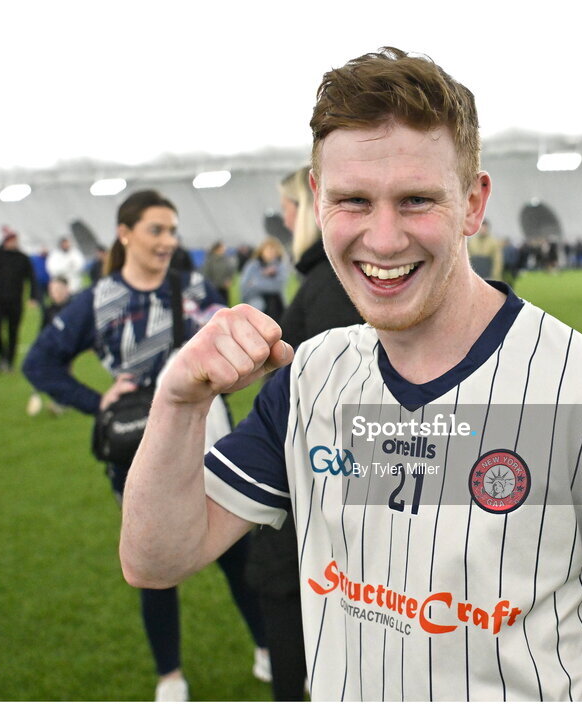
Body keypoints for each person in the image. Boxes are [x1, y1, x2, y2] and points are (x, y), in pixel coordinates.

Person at [119, 47, 582, 701]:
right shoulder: (306, 378)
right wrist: (178, 401)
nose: (383, 239)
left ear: (472, 204)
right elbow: (155, 558)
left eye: (416, 200)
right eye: (352, 201)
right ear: (316, 199)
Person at [22, 190, 267, 701]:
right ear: (125, 233)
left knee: (236, 554)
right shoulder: (99, 298)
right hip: (136, 448)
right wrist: (99, 401)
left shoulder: (193, 285)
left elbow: (233, 341)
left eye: (173, 230)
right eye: (156, 229)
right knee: (155, 566)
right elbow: (39, 363)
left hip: (211, 438)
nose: (167, 240)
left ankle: (267, 648)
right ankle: (169, 675)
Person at [245, 166, 365, 701]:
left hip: (314, 519)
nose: (285, 217)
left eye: (290, 206)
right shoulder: (324, 280)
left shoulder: (331, 286)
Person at [0, 227, 38, 372]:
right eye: (11, 240)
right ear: (5, 241)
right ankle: (2, 354)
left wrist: (32, 297)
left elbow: (31, 278)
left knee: (13, 332)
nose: (14, 243)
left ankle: (10, 362)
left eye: (15, 240)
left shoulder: (23, 258)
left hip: (15, 301)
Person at [26, 276, 70, 417]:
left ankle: (60, 402)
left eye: (58, 290)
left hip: (67, 348)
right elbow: (43, 330)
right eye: (52, 290)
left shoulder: (72, 309)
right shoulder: (49, 309)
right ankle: (59, 401)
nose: (54, 293)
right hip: (51, 348)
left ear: (66, 290)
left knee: (63, 373)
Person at [238, 236, 289, 320]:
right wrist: (265, 277)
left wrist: (255, 282)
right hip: (256, 305)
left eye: (274, 250)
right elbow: (245, 288)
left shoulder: (280, 266)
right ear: (262, 251)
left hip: (277, 307)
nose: (271, 253)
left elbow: (277, 286)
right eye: (269, 250)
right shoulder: (252, 266)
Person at [200, 241, 237, 307]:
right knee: (215, 307)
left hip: (224, 288)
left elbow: (231, 271)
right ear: (217, 248)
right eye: (222, 247)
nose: (225, 248)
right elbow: (206, 275)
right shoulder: (210, 260)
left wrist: (229, 280)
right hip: (214, 289)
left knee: (225, 306)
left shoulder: (226, 259)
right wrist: (211, 286)